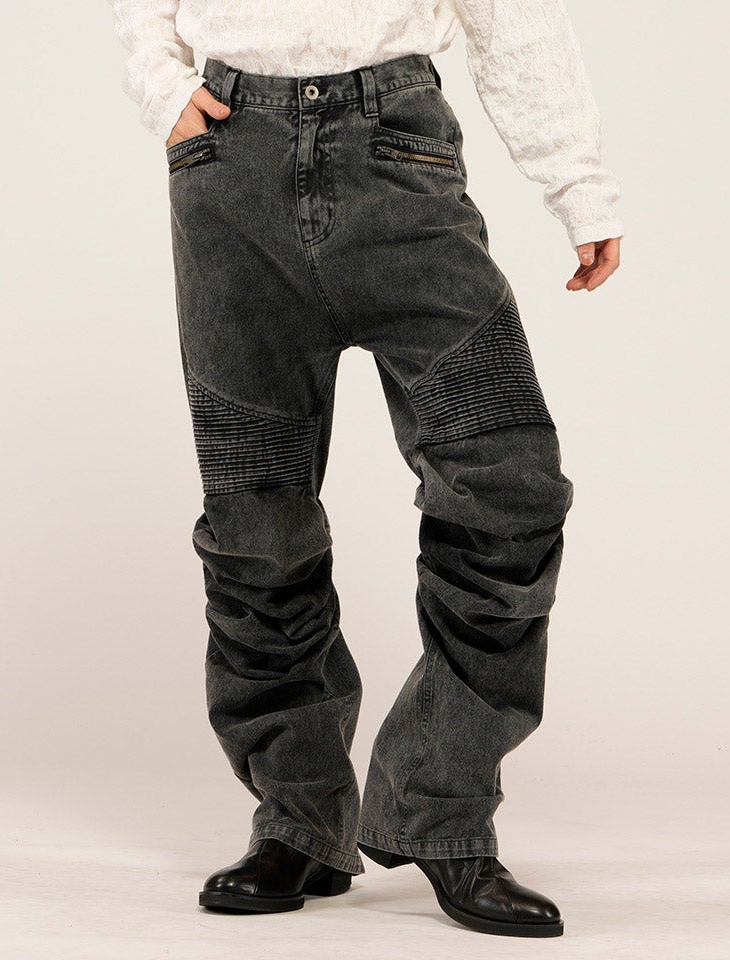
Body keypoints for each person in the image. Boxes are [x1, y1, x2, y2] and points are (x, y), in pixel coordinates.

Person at [107, 0, 623, 938]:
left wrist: (576, 182)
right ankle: (298, 819)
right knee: (257, 523)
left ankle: (439, 806)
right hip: (229, 170)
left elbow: (511, 13)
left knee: (509, 487)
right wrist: (160, 83)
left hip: (400, 158)